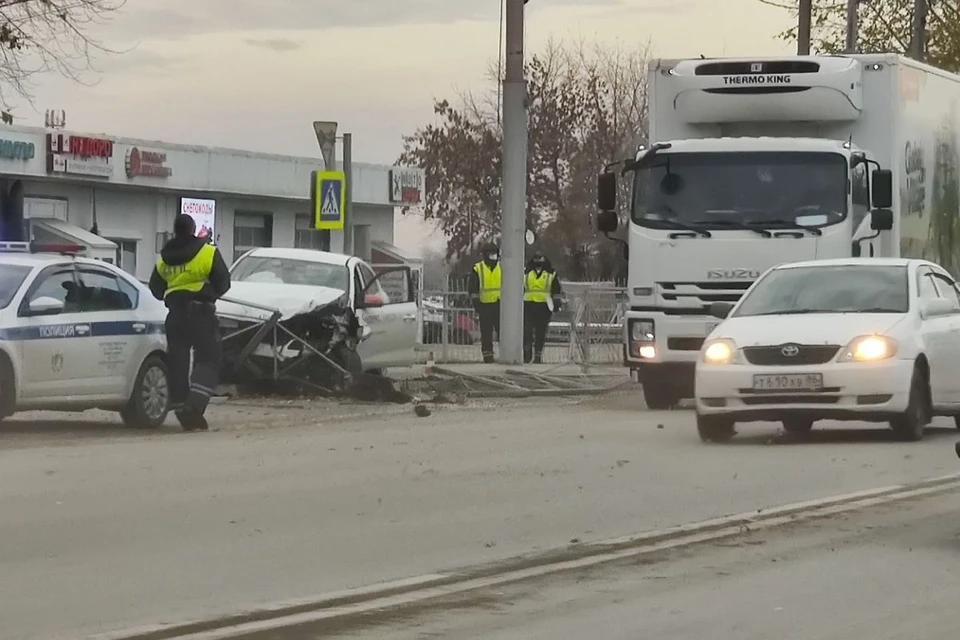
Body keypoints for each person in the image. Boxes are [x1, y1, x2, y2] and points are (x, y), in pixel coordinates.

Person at [149, 213, 231, 431]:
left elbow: (156, 290)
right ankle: (193, 406)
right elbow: (224, 283)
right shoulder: (207, 252)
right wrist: (207, 292)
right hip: (201, 313)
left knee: (178, 362)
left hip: (174, 315)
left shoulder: (163, 259)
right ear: (193, 228)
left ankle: (179, 405)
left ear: (175, 230)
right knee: (209, 358)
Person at [523, 251, 563, 364]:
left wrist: (556, 303)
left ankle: (538, 356)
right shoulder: (526, 272)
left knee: (541, 332)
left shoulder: (551, 273)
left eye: (540, 258)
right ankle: (527, 354)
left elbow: (556, 289)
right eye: (536, 258)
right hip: (528, 304)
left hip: (544, 306)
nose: (538, 261)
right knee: (527, 331)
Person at [468, 242, 502, 363]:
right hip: (485, 305)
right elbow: (473, 288)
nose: (493, 256)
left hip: (500, 305)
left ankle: (505, 355)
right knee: (486, 333)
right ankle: (488, 357)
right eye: (490, 254)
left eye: (494, 253)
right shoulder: (478, 268)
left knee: (502, 332)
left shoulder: (502, 267)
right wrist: (477, 303)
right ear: (485, 254)